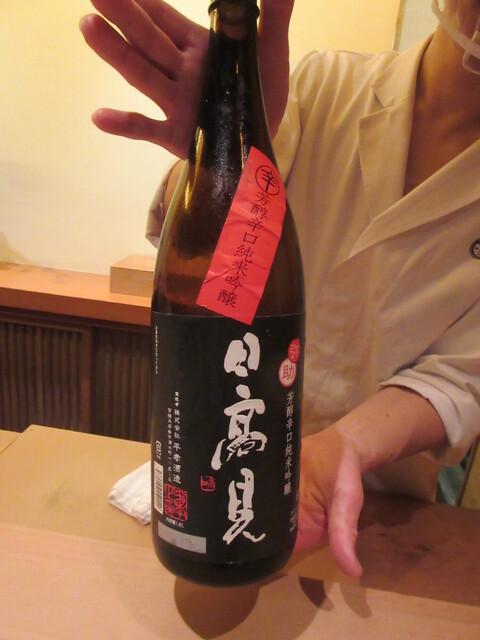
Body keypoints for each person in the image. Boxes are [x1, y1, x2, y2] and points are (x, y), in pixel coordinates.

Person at [80, 0, 480, 579]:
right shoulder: (318, 88)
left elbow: (464, 376)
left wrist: (344, 445)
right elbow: (205, 277)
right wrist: (213, 151)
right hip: (212, 477)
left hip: (378, 519)